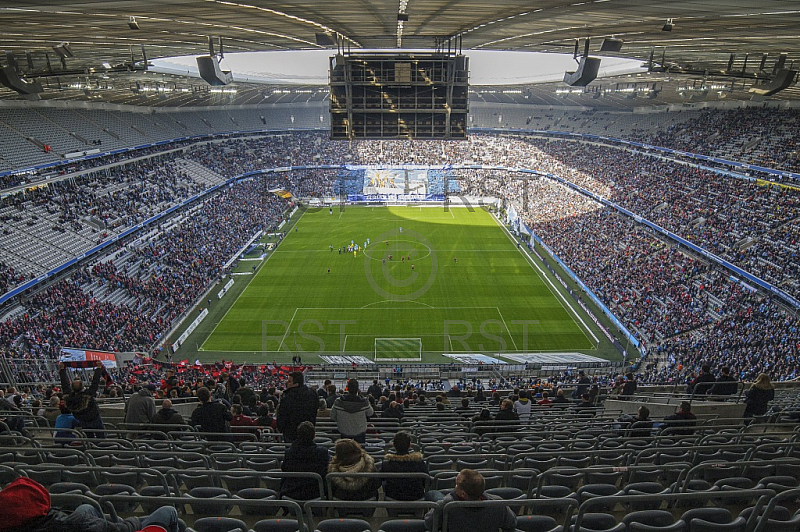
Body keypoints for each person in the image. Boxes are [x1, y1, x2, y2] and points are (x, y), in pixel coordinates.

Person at [0, 476, 183, 532]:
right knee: (168, 510)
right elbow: (117, 530)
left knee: (87, 507)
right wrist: (134, 521)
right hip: (116, 529)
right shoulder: (71, 524)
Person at [424, 469, 517, 532]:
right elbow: (512, 523)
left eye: (456, 485)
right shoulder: (498, 504)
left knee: (433, 493)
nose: (455, 487)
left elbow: (429, 523)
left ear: (463, 494)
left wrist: (448, 498)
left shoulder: (446, 506)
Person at [280, 421, 330, 501]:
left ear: (298, 435)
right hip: (316, 493)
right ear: (314, 435)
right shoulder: (322, 452)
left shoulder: (289, 452)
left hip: (291, 493)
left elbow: (285, 469)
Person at [58, 361, 106, 439]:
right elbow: (95, 383)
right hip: (94, 419)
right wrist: (98, 369)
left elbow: (64, 385)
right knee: (101, 437)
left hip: (82, 421)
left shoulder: (69, 398)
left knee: (89, 438)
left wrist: (62, 370)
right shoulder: (88, 395)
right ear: (82, 387)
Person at [381, 431, 428, 501]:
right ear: (410, 445)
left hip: (393, 498)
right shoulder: (419, 463)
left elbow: (378, 481)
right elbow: (427, 482)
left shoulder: (386, 464)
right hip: (417, 498)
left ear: (393, 445)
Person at [276, 371, 319, 443]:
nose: (287, 382)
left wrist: (282, 428)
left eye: (289, 381)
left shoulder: (287, 396)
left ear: (296, 384)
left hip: (291, 433)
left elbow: (282, 415)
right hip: (308, 430)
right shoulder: (312, 393)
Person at [330, 378, 374, 443]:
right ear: (358, 389)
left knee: (345, 452)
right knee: (359, 452)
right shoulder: (364, 402)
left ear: (347, 388)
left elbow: (332, 416)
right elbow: (370, 413)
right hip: (360, 432)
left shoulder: (338, 402)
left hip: (344, 432)